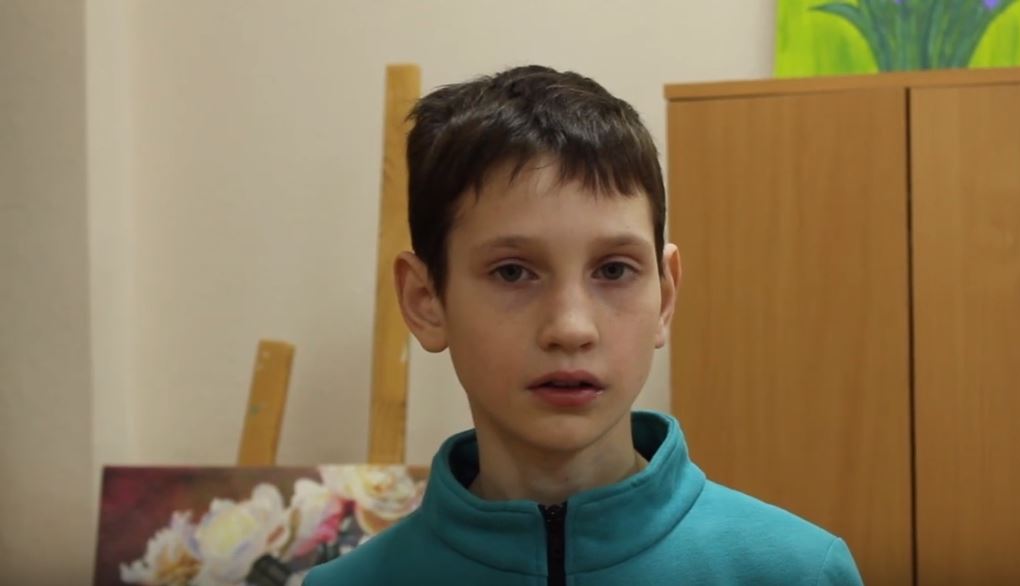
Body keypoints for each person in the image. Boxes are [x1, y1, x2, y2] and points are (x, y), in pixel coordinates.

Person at [304, 65, 865, 586]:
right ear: (426, 300)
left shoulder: (796, 573)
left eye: (614, 270)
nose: (571, 328)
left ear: (665, 296)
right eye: (512, 272)